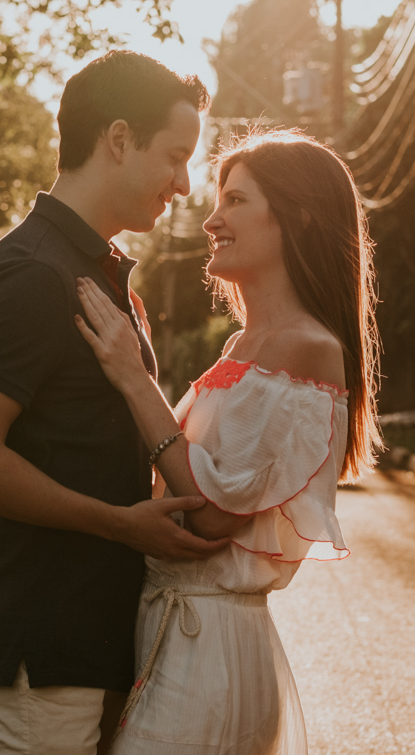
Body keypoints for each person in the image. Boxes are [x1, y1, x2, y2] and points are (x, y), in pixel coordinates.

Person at [0, 50, 229, 755]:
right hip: (47, 648)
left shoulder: (94, 275)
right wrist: (121, 525)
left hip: (96, 644)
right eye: (175, 156)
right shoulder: (33, 274)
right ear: (119, 139)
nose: (185, 185)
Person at [73, 128, 381, 754]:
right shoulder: (243, 346)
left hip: (208, 649)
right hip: (174, 632)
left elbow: (212, 516)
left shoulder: (307, 346)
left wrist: (136, 381)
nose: (212, 220)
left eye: (236, 201)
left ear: (296, 215)